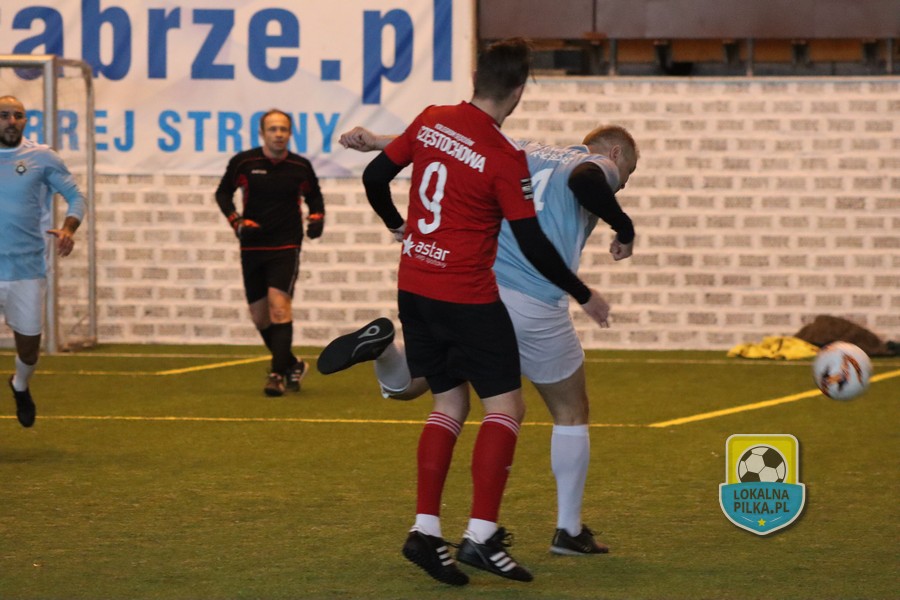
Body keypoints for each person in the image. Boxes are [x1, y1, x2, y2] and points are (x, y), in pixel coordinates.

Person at [351, 38, 612, 587]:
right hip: (466, 294)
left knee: (447, 401)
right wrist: (583, 293)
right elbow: (534, 244)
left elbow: (375, 178)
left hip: (413, 284)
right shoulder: (502, 157)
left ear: (476, 79)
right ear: (517, 92)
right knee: (507, 408)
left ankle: (426, 530)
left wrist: (397, 226)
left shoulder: (432, 119)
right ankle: (481, 535)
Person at [325, 124, 638, 556]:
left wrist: (378, 141)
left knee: (422, 387)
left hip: (478, 288)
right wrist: (624, 228)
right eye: (628, 175)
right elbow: (587, 181)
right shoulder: (596, 163)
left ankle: (385, 353)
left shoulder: (523, 148)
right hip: (535, 302)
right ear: (617, 153)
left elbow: (449, 142)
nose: (623, 185)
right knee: (569, 409)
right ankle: (565, 529)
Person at [214, 109, 325, 397]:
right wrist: (236, 221)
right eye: (273, 129)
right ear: (262, 133)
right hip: (252, 246)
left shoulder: (300, 166)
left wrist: (317, 218)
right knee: (260, 317)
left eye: (283, 129)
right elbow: (223, 193)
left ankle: (276, 376)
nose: (278, 134)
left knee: (279, 307)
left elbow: (314, 197)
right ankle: (292, 364)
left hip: (286, 245)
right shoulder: (244, 162)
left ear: (290, 133)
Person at [0, 95, 86, 428]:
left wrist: (68, 228)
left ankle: (20, 385)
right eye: (4, 115)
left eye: (17, 115)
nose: (11, 121)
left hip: (27, 269)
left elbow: (76, 196)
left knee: (29, 351)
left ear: (25, 120)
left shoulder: (41, 157)